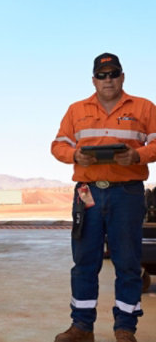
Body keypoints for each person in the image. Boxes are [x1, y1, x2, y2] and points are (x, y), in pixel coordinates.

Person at [51, 53, 156, 342]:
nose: (108, 80)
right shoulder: (76, 110)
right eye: (102, 75)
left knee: (127, 262)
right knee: (85, 261)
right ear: (94, 80)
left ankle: (125, 328)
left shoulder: (144, 107)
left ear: (122, 77)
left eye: (113, 74)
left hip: (127, 193)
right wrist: (74, 155)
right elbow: (58, 145)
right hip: (88, 194)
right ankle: (82, 327)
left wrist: (138, 154)